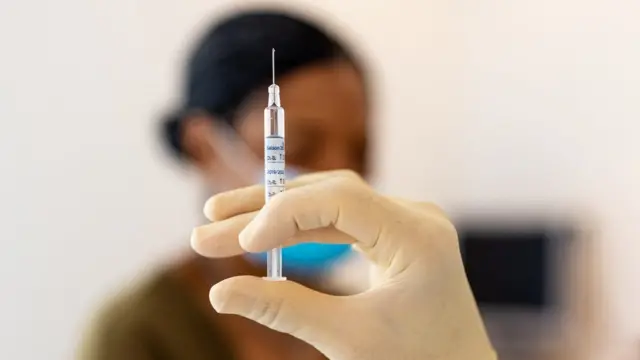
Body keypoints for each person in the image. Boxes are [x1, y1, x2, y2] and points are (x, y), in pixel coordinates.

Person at [78, 9, 369, 360]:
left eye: (360, 151)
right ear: (201, 145)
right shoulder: (138, 334)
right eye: (298, 146)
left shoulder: (362, 320)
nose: (338, 174)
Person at [191, 170, 497, 360]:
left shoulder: (355, 301)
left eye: (359, 147)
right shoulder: (153, 331)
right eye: (303, 144)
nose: (337, 164)